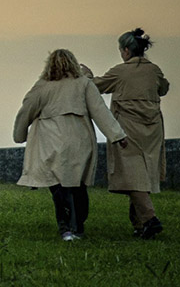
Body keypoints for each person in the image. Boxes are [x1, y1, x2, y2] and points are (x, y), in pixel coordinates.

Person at [13, 49, 127, 241]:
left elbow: (26, 112)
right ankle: (78, 225)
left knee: (59, 188)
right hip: (79, 142)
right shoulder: (84, 84)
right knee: (77, 186)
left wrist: (19, 135)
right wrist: (118, 135)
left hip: (51, 143)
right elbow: (100, 111)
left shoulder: (42, 86)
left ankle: (66, 228)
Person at [82, 28, 170, 239]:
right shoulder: (154, 70)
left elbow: (96, 87)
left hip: (128, 128)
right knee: (144, 174)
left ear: (127, 51)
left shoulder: (120, 71)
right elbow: (164, 88)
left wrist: (86, 75)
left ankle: (150, 219)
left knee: (132, 175)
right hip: (153, 129)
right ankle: (139, 225)